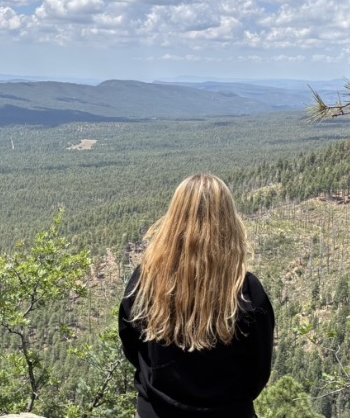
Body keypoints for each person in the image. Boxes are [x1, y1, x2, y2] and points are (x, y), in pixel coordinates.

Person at [118, 173, 275, 418]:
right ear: (228, 222)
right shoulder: (246, 291)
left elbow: (131, 345)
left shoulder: (145, 281)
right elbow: (258, 372)